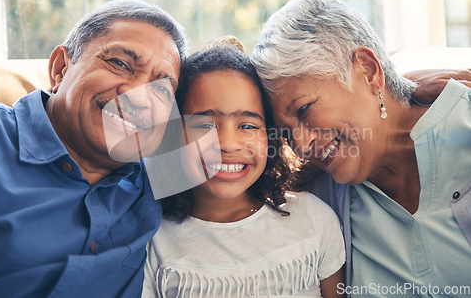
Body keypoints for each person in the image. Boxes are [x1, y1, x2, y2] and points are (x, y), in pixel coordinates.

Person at [251, 0, 471, 297]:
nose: (301, 146)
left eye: (304, 109)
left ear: (368, 71)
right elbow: (171, 177)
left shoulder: (465, 127)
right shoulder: (322, 198)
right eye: (287, 134)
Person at [0, 0, 187, 297]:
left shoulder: (161, 177)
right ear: (60, 68)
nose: (138, 97)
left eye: (162, 88)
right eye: (120, 64)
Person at [143, 38, 346, 298]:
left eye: (248, 126)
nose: (227, 144)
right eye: (205, 125)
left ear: (270, 136)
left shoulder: (313, 219)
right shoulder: (154, 241)